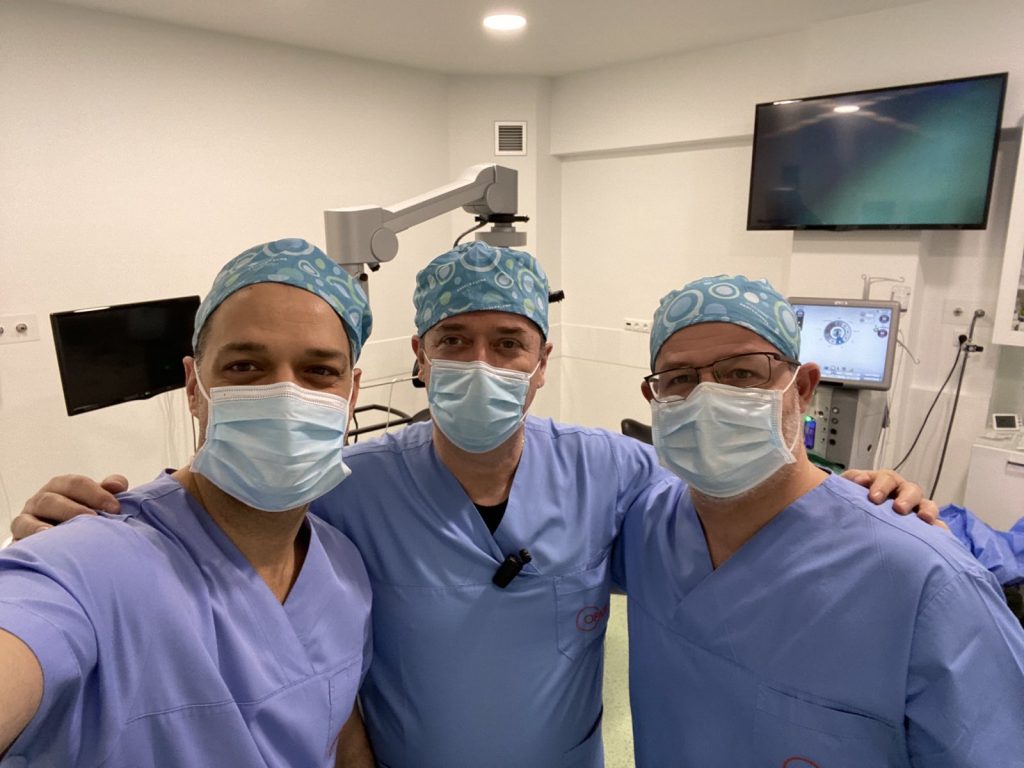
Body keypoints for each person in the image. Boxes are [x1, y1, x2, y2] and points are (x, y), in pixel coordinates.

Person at [11, 244, 935, 767]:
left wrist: (854, 494)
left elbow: (735, 512)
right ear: (418, 357)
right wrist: (85, 523)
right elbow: (216, 522)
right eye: (455, 341)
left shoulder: (614, 470)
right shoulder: (347, 485)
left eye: (509, 343)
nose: (482, 364)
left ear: (543, 363)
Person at [614, 274, 1024, 766]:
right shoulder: (645, 527)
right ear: (654, 398)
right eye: (680, 379)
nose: (708, 399)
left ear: (803, 388)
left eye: (742, 373)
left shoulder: (926, 580)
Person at [0, 239, 376, 766]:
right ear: (193, 386)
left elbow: (341, 734)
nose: (286, 397)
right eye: (245, 366)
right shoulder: (93, 561)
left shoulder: (343, 568)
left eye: (319, 371)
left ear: (351, 394)